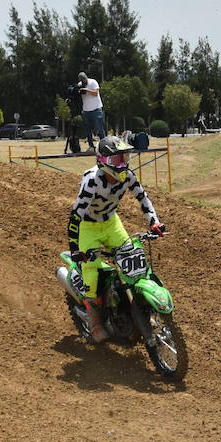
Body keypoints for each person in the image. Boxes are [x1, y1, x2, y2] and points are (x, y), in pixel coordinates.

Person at [67, 136, 165, 339]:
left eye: (124, 157)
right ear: (103, 161)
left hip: (111, 223)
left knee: (133, 258)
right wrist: (76, 250)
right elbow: (76, 216)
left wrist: (154, 221)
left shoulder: (127, 175)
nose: (122, 163)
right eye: (117, 159)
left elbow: (142, 197)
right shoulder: (92, 180)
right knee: (91, 270)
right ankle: (94, 321)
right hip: (88, 227)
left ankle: (138, 306)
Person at [77, 71, 105, 150]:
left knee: (100, 128)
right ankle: (91, 146)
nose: (83, 82)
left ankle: (103, 145)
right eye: (82, 81)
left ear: (86, 78)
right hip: (86, 110)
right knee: (88, 130)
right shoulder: (80, 85)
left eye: (84, 80)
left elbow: (96, 93)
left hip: (96, 108)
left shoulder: (93, 82)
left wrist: (87, 89)